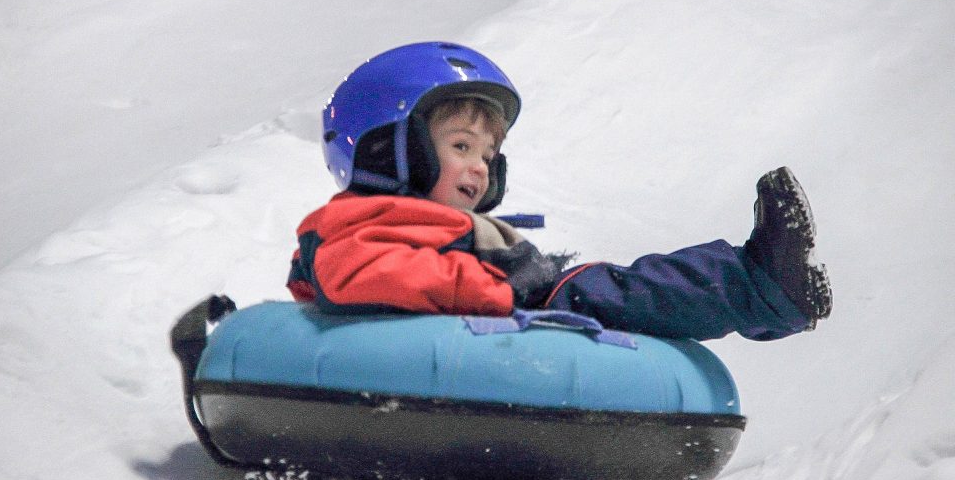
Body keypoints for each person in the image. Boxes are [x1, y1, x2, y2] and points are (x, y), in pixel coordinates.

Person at [287, 42, 832, 341]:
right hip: (466, 331)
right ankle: (760, 283)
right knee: (598, 292)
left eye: (488, 156)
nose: (478, 169)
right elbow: (360, 274)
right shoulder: (362, 220)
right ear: (388, 149)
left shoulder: (444, 227)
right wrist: (495, 284)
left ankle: (764, 285)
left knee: (606, 286)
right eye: (460, 146)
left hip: (484, 330)